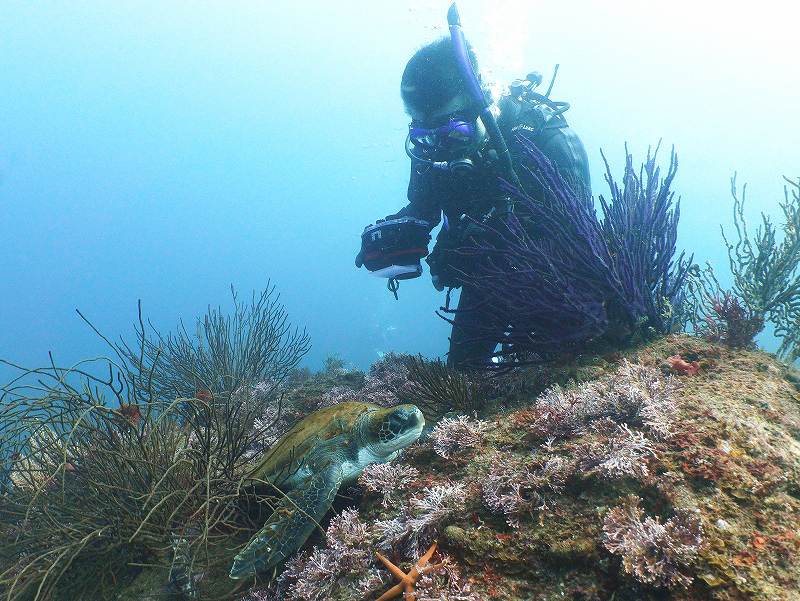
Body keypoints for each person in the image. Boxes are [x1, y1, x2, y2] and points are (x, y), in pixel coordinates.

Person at [356, 33, 591, 369]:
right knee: (464, 377)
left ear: (481, 102)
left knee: (568, 362)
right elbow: (423, 210)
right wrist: (397, 235)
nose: (442, 148)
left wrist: (480, 244)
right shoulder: (432, 149)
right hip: (487, 281)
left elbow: (576, 235)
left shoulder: (548, 141)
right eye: (425, 136)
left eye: (456, 132)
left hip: (561, 283)